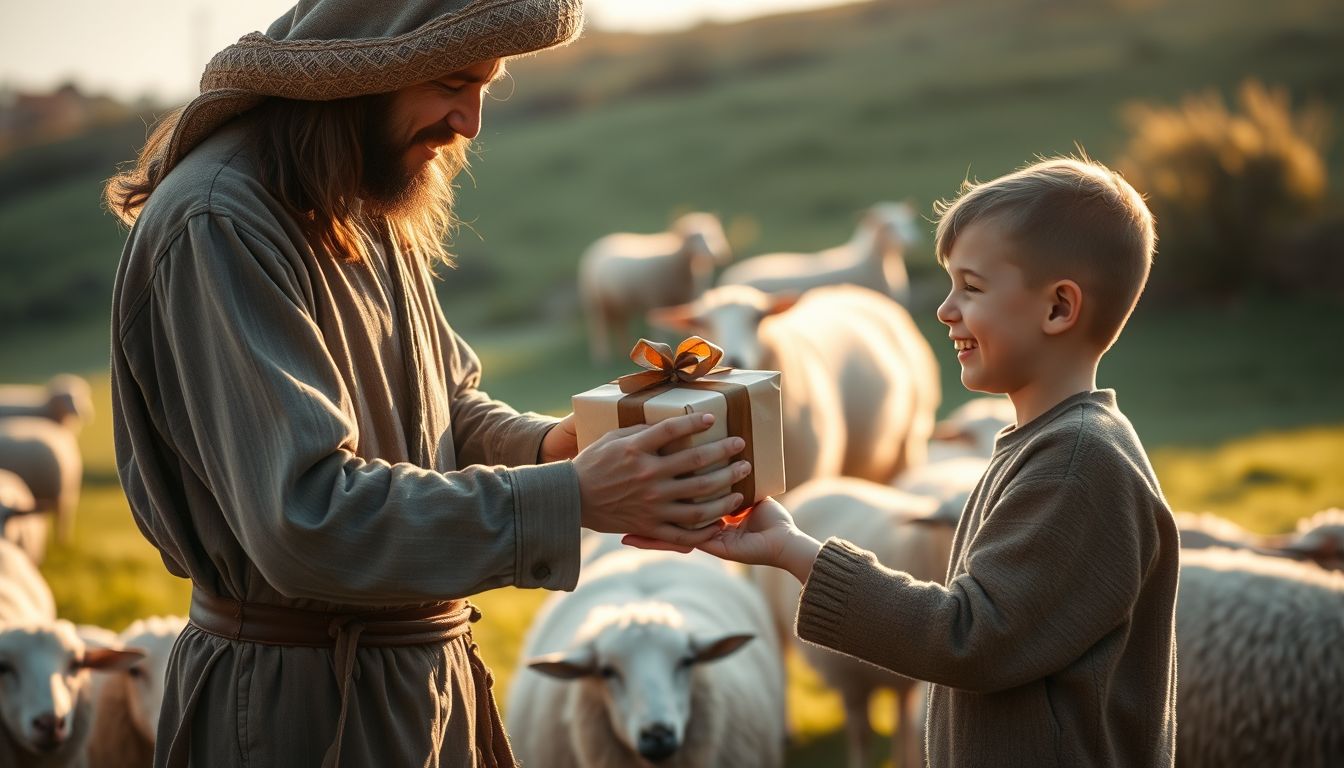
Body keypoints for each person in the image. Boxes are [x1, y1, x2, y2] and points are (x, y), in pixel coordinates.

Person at [103, 1, 751, 766]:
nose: (471, 121)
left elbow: (446, 405)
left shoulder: (357, 190)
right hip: (297, 712)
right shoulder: (220, 223)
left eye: (486, 86)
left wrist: (557, 444)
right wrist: (572, 495)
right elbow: (306, 517)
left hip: (421, 685)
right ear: (370, 70)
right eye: (453, 82)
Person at [633, 156, 1181, 767]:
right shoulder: (1050, 445)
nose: (945, 310)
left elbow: (969, 639)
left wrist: (798, 554)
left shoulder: (1077, 464)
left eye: (971, 288)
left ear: (1058, 308)